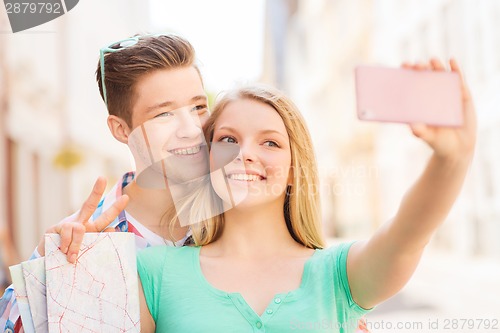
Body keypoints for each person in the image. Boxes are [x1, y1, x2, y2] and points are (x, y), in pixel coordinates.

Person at [137, 58, 476, 332]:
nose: (245, 153)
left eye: (270, 142)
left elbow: (409, 233)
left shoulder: (339, 276)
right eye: (228, 139)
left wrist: (451, 160)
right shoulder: (153, 272)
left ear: (293, 167)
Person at [0, 33, 212, 332]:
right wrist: (50, 272)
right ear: (122, 129)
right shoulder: (81, 239)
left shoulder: (235, 217)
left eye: (198, 107)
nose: (192, 129)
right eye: (164, 114)